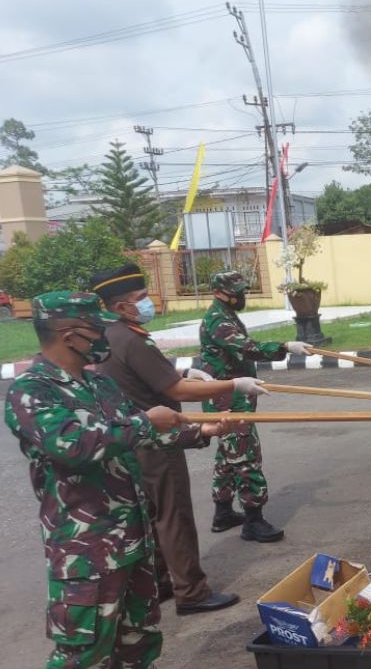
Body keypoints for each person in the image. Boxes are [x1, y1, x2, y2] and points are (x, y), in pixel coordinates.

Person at [3, 291, 234, 669]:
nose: (105, 336)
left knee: (139, 631)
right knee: (82, 644)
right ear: (71, 334)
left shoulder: (99, 384)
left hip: (132, 533)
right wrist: (150, 424)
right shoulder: (33, 391)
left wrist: (201, 431)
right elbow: (74, 445)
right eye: (97, 328)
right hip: (84, 546)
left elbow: (137, 425)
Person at [91, 263, 265, 615]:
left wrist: (185, 370)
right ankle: (192, 591)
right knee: (174, 516)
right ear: (122, 306)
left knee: (151, 516)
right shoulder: (130, 338)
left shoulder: (111, 336)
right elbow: (176, 390)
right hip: (157, 441)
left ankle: (161, 583)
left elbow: (150, 376)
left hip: (131, 440)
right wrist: (233, 384)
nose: (148, 303)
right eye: (140, 298)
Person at [198, 271, 310, 542]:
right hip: (229, 399)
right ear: (219, 293)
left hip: (228, 396)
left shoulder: (225, 314)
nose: (241, 296)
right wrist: (284, 347)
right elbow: (247, 348)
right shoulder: (217, 320)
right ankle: (253, 521)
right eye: (237, 292)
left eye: (243, 291)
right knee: (246, 457)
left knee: (228, 457)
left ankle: (223, 513)